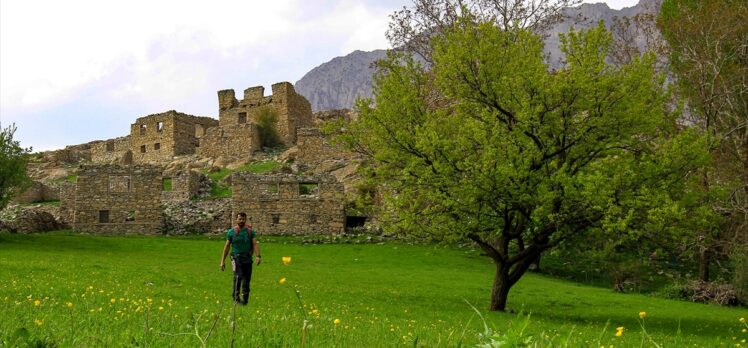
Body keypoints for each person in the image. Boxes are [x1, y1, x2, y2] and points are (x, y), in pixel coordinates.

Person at [220, 212, 261, 305]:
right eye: (240, 219)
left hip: (247, 258)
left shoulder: (250, 232)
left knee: (246, 279)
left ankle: (245, 300)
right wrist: (222, 261)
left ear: (245, 220)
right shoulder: (231, 232)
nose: (241, 221)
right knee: (238, 276)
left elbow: (255, 244)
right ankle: (236, 298)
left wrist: (258, 256)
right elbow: (227, 246)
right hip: (235, 257)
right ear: (236, 220)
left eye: (243, 219)